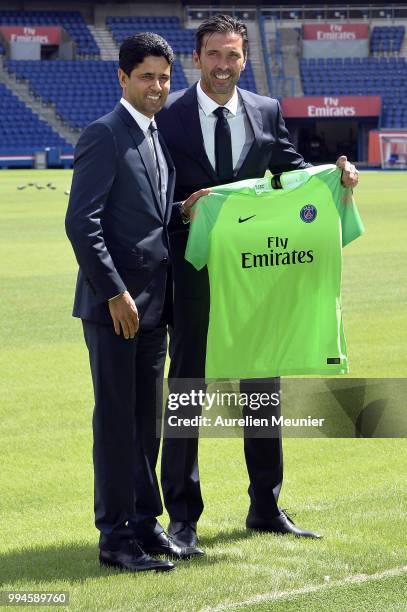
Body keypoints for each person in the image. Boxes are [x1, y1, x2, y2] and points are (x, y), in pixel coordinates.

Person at [156, 14, 359, 554]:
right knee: (187, 394)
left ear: (245, 59)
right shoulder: (168, 115)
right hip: (195, 278)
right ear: (197, 57)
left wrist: (334, 175)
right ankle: (181, 518)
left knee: (262, 393)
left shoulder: (266, 112)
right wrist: (183, 211)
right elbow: (153, 195)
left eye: (234, 56)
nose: (224, 66)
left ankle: (265, 506)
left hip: (256, 280)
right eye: (215, 55)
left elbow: (291, 176)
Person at [65, 33, 207, 573]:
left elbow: (144, 216)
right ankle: (115, 538)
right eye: (146, 76)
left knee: (148, 422)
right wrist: (116, 293)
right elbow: (83, 223)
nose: (157, 86)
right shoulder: (104, 134)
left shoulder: (155, 135)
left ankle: (146, 526)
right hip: (115, 308)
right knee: (118, 425)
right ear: (122, 78)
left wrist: (181, 210)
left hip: (154, 308)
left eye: (164, 77)